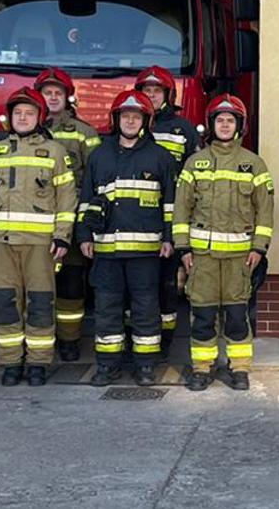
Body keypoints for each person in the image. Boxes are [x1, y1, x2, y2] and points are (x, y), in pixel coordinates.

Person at [0, 87, 77, 387]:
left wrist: (62, 237)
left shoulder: (55, 152)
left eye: (29, 113)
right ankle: (10, 362)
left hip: (40, 245)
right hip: (1, 244)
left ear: (39, 117)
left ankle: (38, 363)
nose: (22, 117)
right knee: (4, 304)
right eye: (18, 113)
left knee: (40, 303)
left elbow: (66, 199)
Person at [79, 90, 180, 387]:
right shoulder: (100, 155)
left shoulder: (160, 157)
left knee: (145, 308)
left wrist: (169, 238)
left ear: (146, 121)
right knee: (107, 308)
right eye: (126, 116)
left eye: (136, 117)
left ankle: (145, 365)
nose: (131, 121)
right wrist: (84, 234)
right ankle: (107, 366)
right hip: (106, 249)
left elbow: (170, 204)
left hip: (146, 252)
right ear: (116, 120)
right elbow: (86, 199)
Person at [172, 94, 274, 392]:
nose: (225, 125)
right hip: (201, 258)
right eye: (220, 120)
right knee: (202, 316)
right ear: (211, 124)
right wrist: (183, 248)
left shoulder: (253, 164)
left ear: (239, 126)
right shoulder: (195, 163)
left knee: (237, 317)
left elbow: (264, 211)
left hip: (240, 259)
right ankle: (202, 370)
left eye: (230, 120)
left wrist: (259, 248)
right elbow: (182, 209)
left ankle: (239, 369)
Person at [35, 67, 100, 362]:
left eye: (57, 93)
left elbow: (94, 180)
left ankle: (69, 340)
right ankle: (40, 339)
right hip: (34, 223)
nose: (52, 98)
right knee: (37, 285)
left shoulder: (85, 133)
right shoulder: (24, 132)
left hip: (70, 221)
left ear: (67, 97)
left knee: (71, 286)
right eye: (47, 93)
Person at [135, 65, 198, 350]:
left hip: (171, 217)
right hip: (136, 221)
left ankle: (166, 339)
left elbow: (195, 175)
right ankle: (137, 338)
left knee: (167, 285)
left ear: (167, 94)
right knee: (137, 287)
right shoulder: (131, 123)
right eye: (146, 91)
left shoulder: (182, 129)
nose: (151, 95)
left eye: (156, 91)